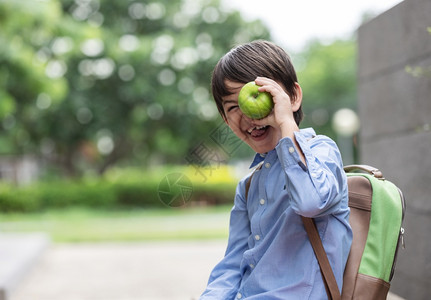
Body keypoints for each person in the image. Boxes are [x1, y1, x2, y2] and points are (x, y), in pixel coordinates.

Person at [200, 40, 352, 299]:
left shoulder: (322, 151)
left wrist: (284, 122)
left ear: (292, 97)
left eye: (262, 96)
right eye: (233, 108)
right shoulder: (247, 187)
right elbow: (233, 263)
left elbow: (310, 202)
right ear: (226, 120)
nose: (249, 115)